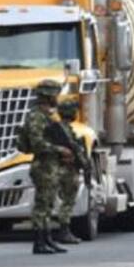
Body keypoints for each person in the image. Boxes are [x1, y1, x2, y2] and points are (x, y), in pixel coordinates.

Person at [16, 79, 72, 254]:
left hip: (51, 166)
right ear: (48, 96)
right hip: (43, 166)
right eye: (55, 94)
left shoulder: (45, 116)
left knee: (48, 204)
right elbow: (37, 143)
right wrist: (59, 149)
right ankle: (39, 242)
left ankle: (47, 239)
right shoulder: (36, 117)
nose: (57, 98)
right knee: (42, 205)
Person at [50, 98, 88, 246]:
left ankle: (53, 232)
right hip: (66, 170)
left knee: (54, 202)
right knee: (67, 201)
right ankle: (64, 231)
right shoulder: (62, 130)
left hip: (59, 168)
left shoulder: (63, 129)